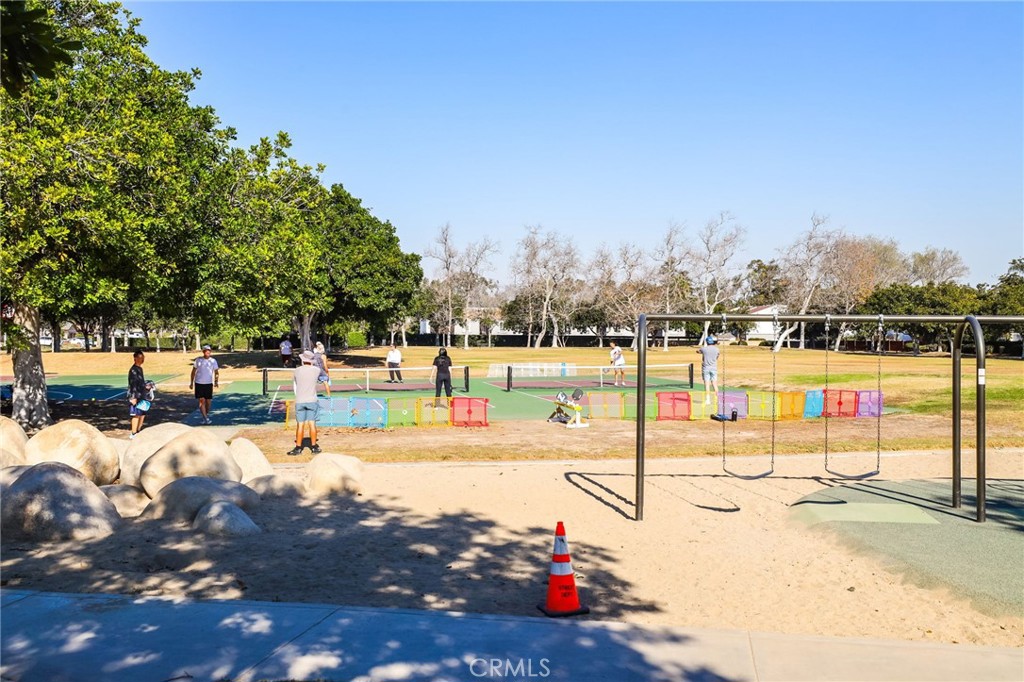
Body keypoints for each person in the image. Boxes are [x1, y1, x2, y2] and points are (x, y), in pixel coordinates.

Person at [289, 350, 325, 456]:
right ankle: (314, 447)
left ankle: (298, 447)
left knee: (300, 425)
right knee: (312, 424)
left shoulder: (297, 370)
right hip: (312, 400)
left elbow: (295, 383)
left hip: (300, 400)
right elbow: (324, 375)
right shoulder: (316, 370)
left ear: (303, 360)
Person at [190, 344, 219, 424]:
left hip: (208, 384)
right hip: (199, 383)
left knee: (208, 402)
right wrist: (191, 383)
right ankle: (206, 418)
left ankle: (205, 416)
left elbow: (216, 372)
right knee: (201, 401)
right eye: (206, 351)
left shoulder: (213, 361)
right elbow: (193, 372)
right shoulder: (198, 360)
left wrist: (216, 381)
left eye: (209, 351)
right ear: (203, 352)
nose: (208, 352)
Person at [127, 350, 150, 439]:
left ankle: (138, 430)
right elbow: (133, 384)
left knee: (142, 413)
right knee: (136, 415)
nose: (142, 360)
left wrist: (146, 387)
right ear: (135, 358)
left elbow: (140, 382)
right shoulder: (133, 370)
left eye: (143, 358)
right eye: (140, 358)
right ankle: (133, 433)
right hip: (135, 396)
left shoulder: (140, 369)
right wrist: (133, 397)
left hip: (142, 395)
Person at [697, 334, 721, 404]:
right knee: (715, 384)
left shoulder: (704, 349)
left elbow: (698, 351)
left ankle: (708, 400)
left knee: (707, 384)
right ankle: (717, 399)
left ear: (707, 342)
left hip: (706, 368)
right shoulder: (717, 349)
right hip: (714, 368)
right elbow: (717, 356)